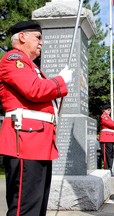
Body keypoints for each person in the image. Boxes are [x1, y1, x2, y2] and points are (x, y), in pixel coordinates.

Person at [0, 21, 73, 215]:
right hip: (25, 141)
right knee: (25, 207)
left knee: (37, 205)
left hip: (37, 142)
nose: (41, 42)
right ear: (22, 37)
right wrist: (60, 81)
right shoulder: (13, 58)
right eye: (38, 37)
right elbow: (34, 90)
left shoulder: (31, 66)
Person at [99, 104, 114, 171]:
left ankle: (110, 169)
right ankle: (107, 169)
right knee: (107, 155)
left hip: (110, 138)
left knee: (110, 155)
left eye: (110, 110)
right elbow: (111, 124)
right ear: (104, 110)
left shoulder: (108, 117)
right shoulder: (104, 116)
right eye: (107, 110)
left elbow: (112, 125)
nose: (109, 111)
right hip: (106, 138)